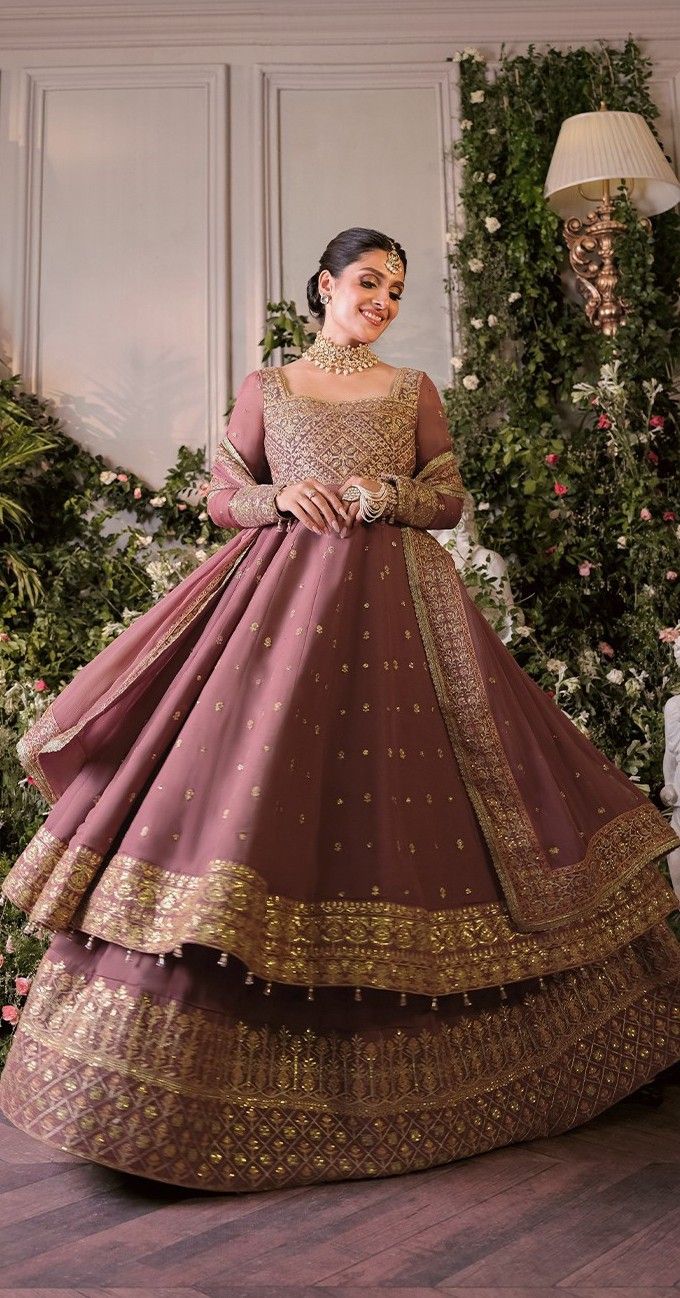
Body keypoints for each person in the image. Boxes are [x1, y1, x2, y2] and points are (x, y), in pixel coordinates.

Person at [1, 226, 679, 1194]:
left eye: (396, 289)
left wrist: (381, 490)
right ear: (324, 284)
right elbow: (220, 493)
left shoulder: (411, 392)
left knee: (414, 806)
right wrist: (283, 500)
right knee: (244, 797)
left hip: (402, 618)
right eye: (368, 282)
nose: (382, 301)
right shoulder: (268, 387)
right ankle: (158, 1100)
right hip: (278, 615)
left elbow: (445, 496)